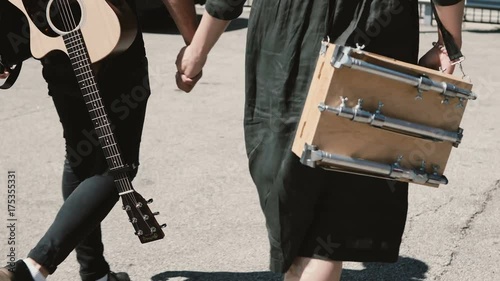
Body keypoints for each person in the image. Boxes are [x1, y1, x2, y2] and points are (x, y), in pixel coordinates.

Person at [174, 0, 466, 280]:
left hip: (290, 29)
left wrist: (197, 49)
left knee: (296, 182)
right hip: (372, 23)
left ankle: (309, 254)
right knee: (336, 183)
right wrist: (448, 43)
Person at [0, 0, 199, 280]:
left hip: (53, 38)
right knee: (118, 163)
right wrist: (194, 44)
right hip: (108, 38)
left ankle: (94, 271)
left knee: (80, 157)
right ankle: (32, 267)